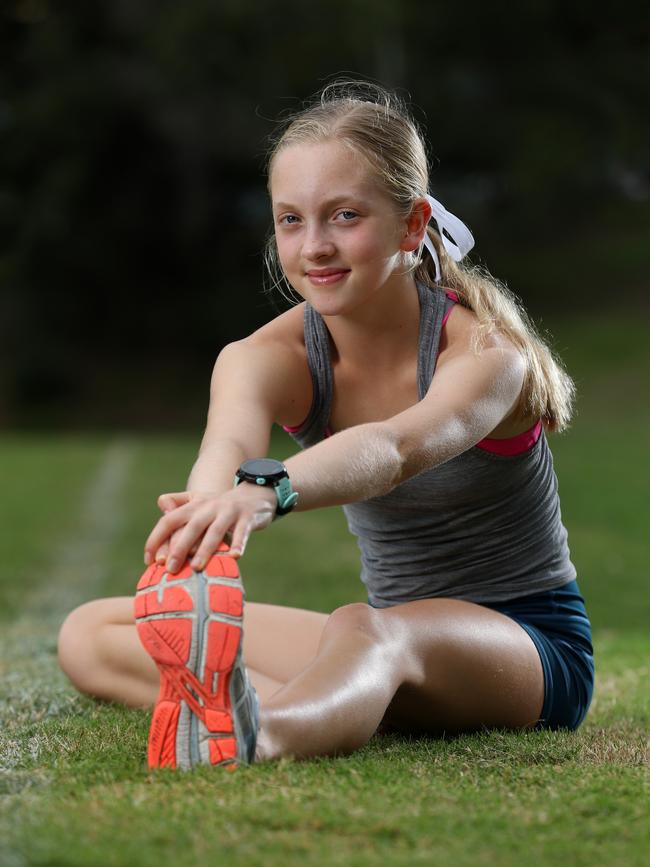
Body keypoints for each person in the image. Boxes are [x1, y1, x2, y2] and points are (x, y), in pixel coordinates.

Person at [57, 80, 594, 769]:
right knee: (92, 631)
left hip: (526, 650)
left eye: (344, 216)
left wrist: (268, 490)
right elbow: (225, 450)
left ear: (410, 223)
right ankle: (326, 699)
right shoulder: (264, 357)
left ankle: (264, 732)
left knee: (368, 630)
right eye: (290, 219)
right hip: (381, 642)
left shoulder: (487, 356)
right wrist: (203, 524)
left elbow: (393, 449)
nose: (315, 246)